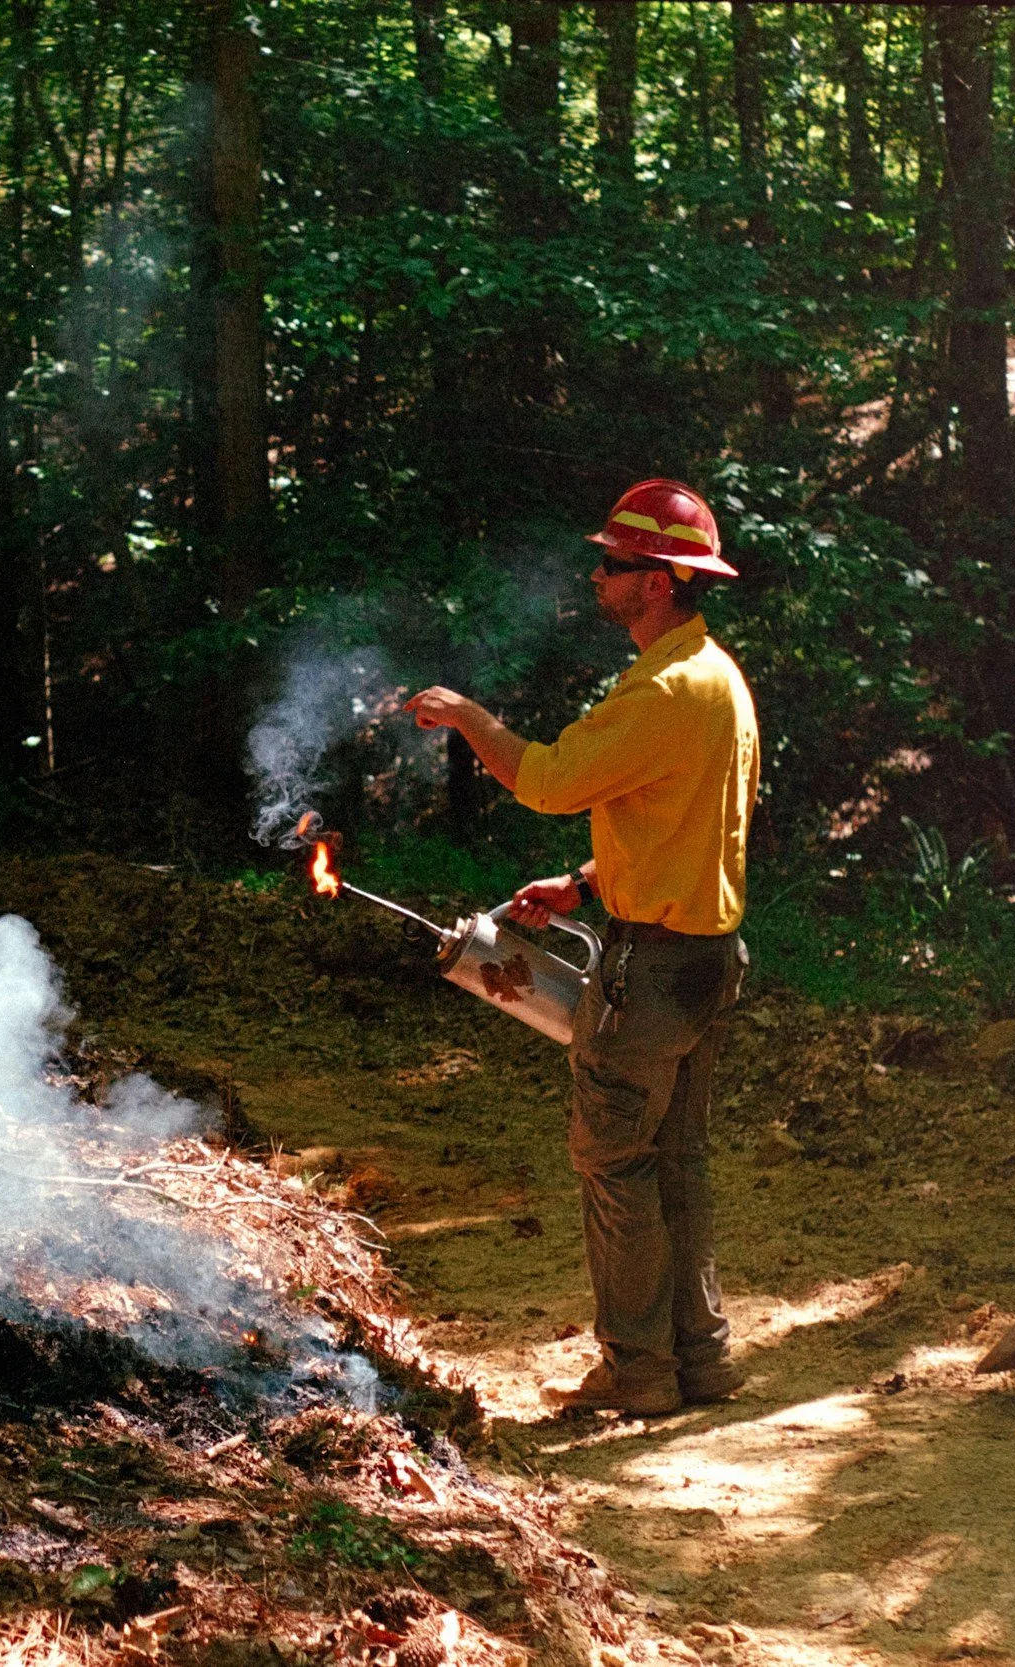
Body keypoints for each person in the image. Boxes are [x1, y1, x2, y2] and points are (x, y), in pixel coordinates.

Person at [408, 479, 759, 1416]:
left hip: (653, 971)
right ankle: (701, 1358)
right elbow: (692, 819)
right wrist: (589, 882)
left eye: (614, 564)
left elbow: (550, 781)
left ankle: (639, 1370)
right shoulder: (716, 677)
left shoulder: (664, 690)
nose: (598, 576)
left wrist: (469, 717)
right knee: (676, 1159)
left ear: (658, 582)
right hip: (709, 959)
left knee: (615, 1160)